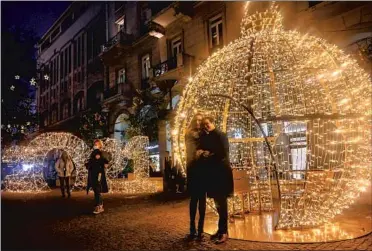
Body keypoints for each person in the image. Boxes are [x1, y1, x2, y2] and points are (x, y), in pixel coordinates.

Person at [197, 116, 234, 244]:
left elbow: (223, 153)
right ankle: (221, 229)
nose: (206, 126)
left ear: (212, 123)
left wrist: (209, 154)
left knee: (222, 203)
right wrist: (204, 153)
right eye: (204, 125)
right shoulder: (207, 137)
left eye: (207, 123)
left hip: (221, 173)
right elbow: (202, 151)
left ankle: (224, 232)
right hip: (213, 174)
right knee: (218, 204)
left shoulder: (221, 135)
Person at [185, 113, 206, 241]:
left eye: (200, 120)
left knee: (202, 201)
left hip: (203, 170)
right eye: (196, 120)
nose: (198, 122)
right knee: (194, 200)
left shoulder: (204, 134)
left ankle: (201, 229)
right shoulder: (190, 133)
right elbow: (191, 150)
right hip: (193, 169)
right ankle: (192, 227)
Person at [86, 139, 109, 214]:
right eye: (95, 144)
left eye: (97, 144)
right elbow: (92, 162)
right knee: (97, 190)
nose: (95, 145)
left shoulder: (99, 153)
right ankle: (100, 206)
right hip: (94, 174)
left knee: (97, 190)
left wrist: (103, 164)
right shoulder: (94, 153)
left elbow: (104, 162)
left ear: (100, 145)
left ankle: (98, 207)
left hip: (98, 174)